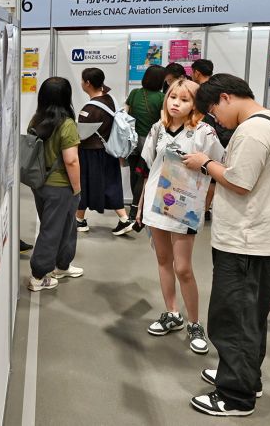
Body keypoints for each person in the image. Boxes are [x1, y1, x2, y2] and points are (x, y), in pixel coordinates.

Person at [182, 74, 270, 417]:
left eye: (214, 110)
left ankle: (235, 396)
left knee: (234, 319)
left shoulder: (253, 131)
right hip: (256, 240)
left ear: (226, 98)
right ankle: (244, 376)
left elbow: (240, 182)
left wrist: (205, 164)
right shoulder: (266, 121)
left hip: (248, 243)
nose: (216, 118)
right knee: (249, 318)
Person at [137, 79, 224, 355]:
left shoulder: (204, 132)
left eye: (184, 99)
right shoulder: (156, 129)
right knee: (163, 261)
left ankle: (195, 323)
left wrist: (207, 200)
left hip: (185, 207)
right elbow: (152, 166)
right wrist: (140, 205)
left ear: (195, 104)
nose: (175, 103)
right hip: (156, 203)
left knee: (183, 268)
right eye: (172, 97)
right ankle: (172, 313)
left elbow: (217, 167)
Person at [26, 77, 83, 291]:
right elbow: (71, 160)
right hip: (60, 186)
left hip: (40, 183)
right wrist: (77, 188)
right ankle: (38, 276)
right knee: (53, 229)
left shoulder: (36, 120)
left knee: (65, 226)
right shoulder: (67, 125)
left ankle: (62, 264)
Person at [75, 68, 134, 236]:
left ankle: (81, 220)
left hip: (91, 153)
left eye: (82, 80)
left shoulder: (88, 110)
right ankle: (81, 219)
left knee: (84, 184)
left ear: (87, 83)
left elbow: (81, 135)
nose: (81, 83)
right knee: (111, 183)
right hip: (109, 150)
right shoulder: (110, 99)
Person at [190, 59, 232, 221]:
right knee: (213, 176)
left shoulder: (201, 92)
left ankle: (201, 210)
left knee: (206, 172)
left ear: (197, 73)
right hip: (223, 137)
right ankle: (205, 210)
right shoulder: (219, 87)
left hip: (210, 136)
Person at [124, 65, 166, 221]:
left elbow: (124, 115)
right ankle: (136, 209)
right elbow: (164, 121)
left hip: (132, 140)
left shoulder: (134, 93)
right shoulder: (162, 98)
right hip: (149, 141)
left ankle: (133, 208)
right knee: (144, 175)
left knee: (134, 173)